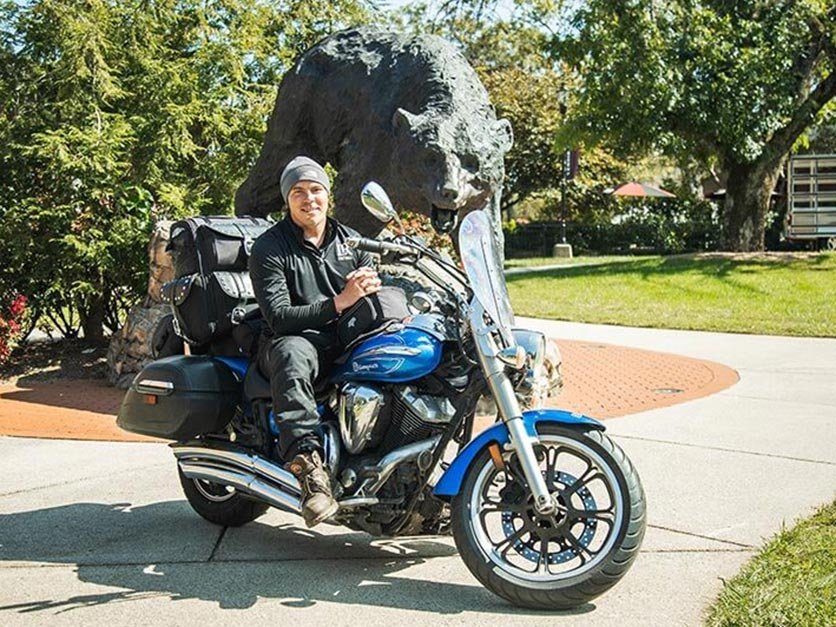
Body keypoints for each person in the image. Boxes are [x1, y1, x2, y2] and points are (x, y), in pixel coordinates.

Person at [249, 155, 381, 527]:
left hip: (342, 338)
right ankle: (309, 471)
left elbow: (372, 286)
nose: (309, 199)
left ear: (328, 195)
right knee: (292, 353)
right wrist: (341, 301)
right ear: (287, 200)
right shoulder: (269, 248)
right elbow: (278, 316)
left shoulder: (351, 240)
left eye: (316, 190)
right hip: (293, 340)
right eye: (298, 192)